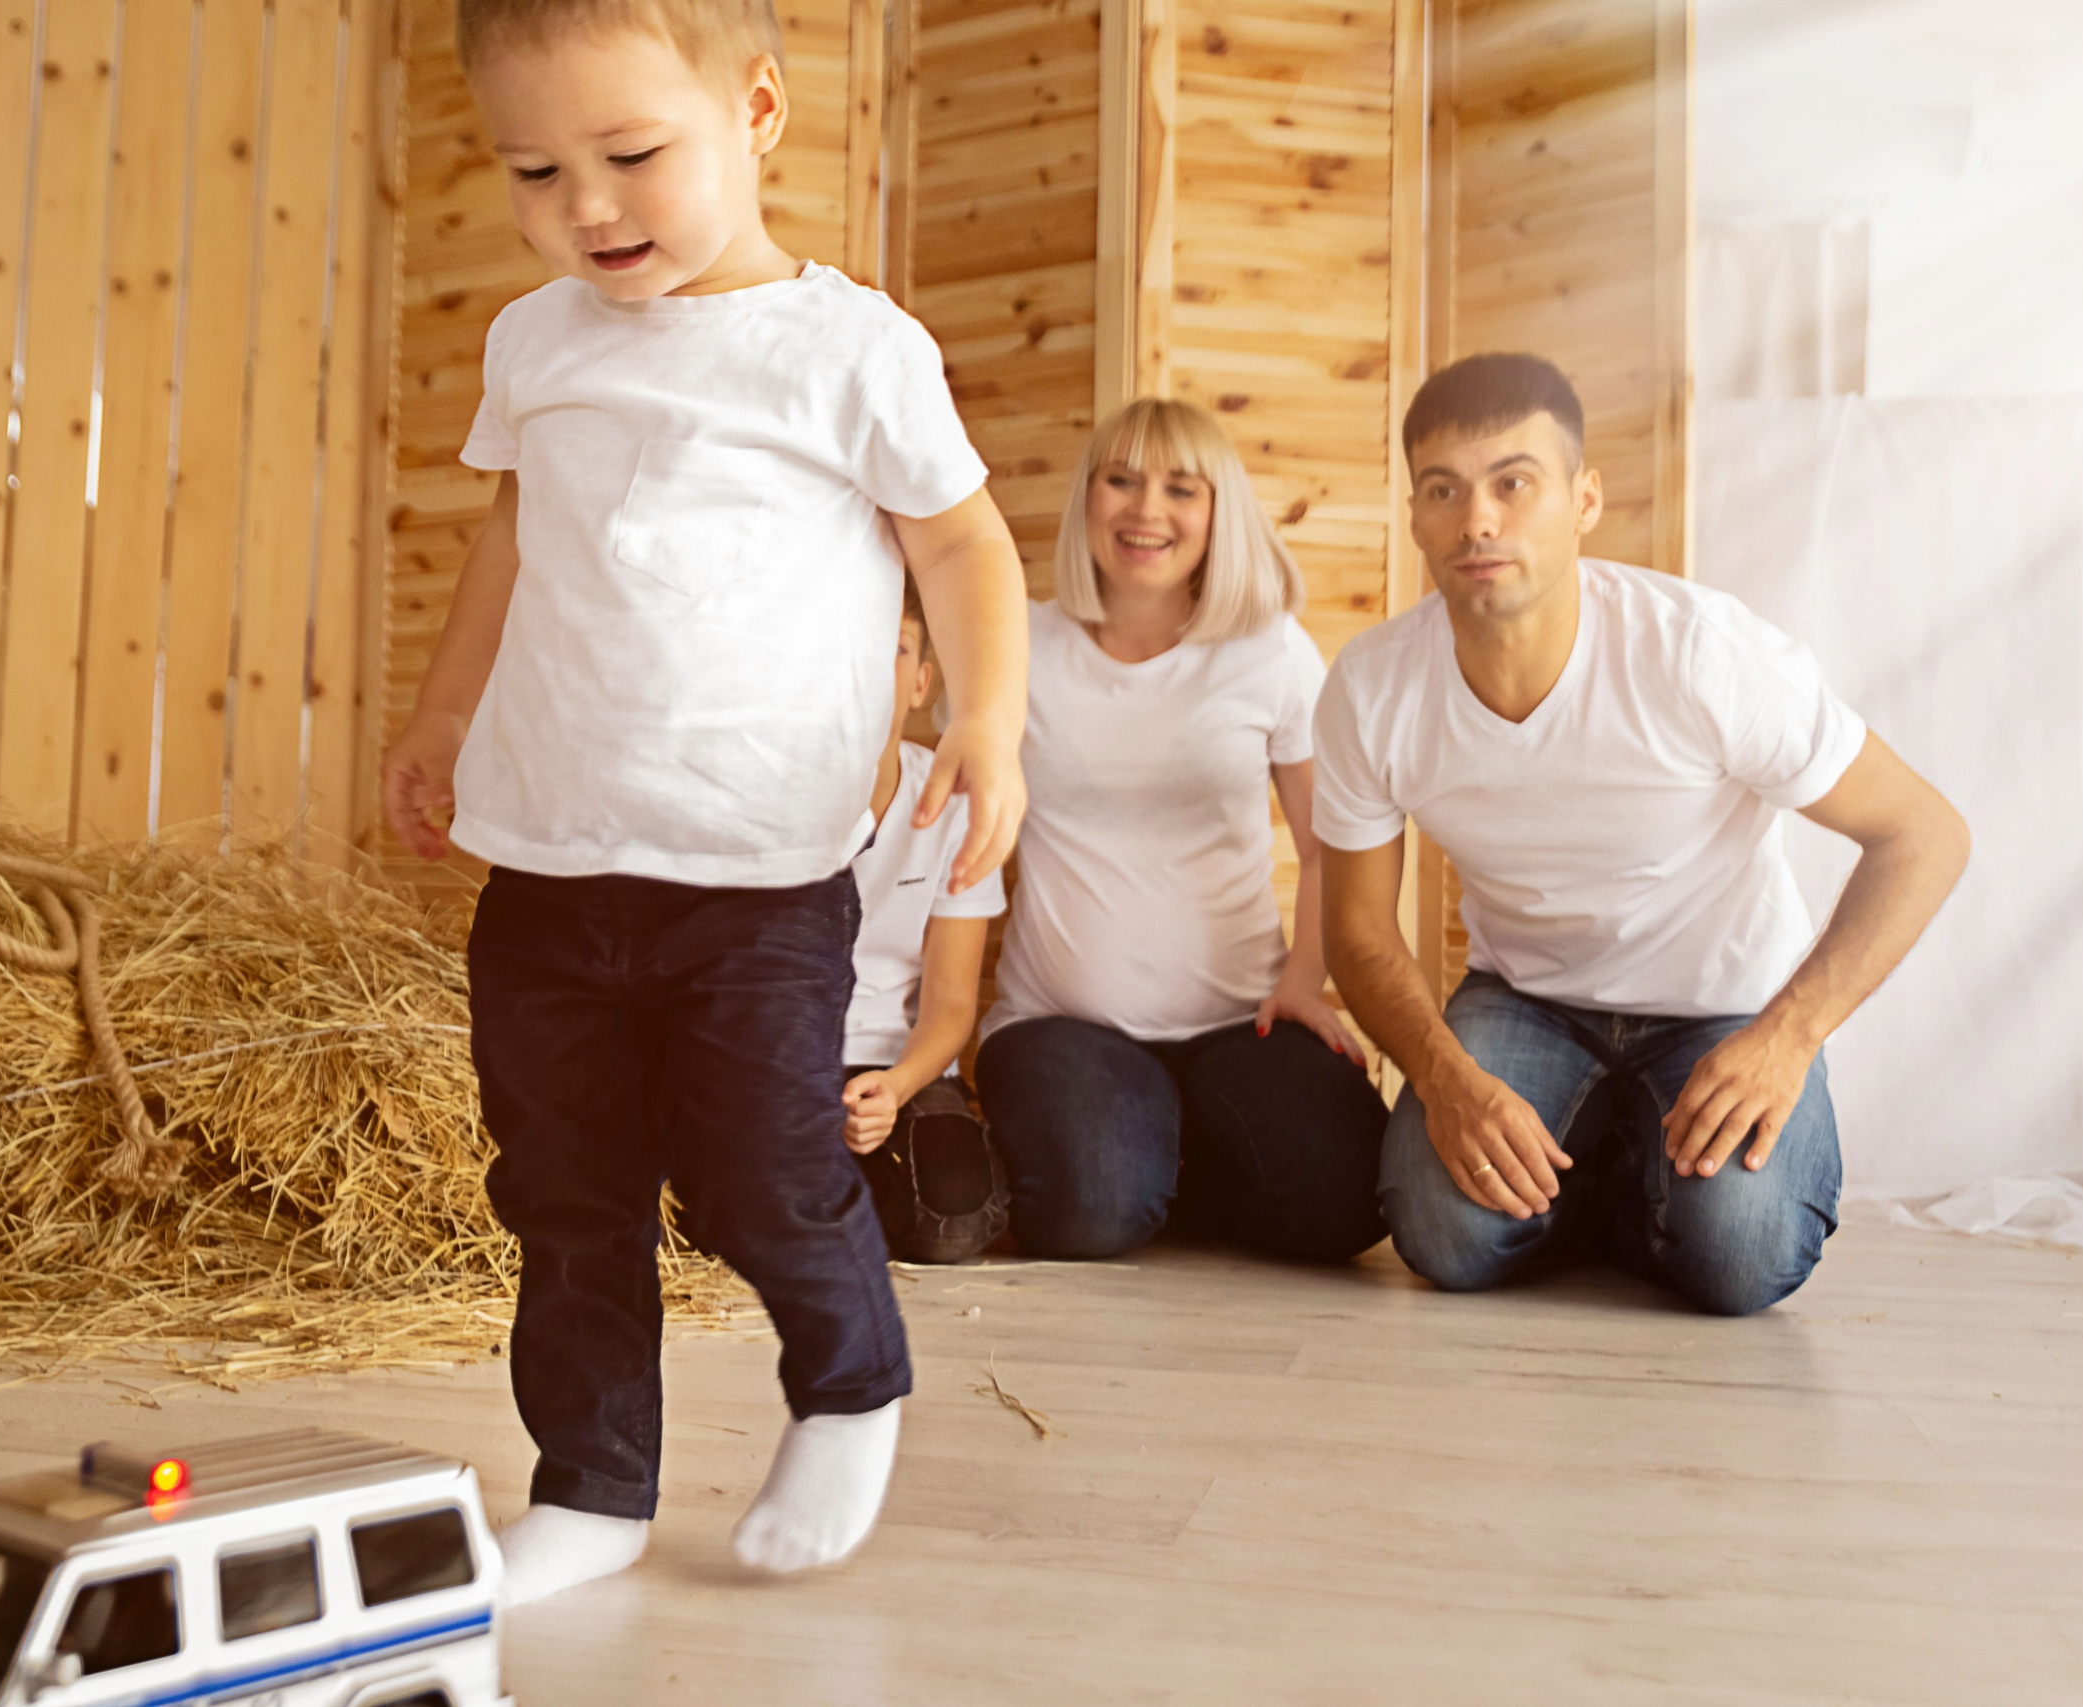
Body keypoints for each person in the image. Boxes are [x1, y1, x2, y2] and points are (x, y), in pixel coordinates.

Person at [381, 0, 1029, 1603]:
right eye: (534, 169)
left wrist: (991, 723)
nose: (585, 207)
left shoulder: (850, 348)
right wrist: (442, 713)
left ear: (755, 112)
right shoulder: (535, 340)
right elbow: (511, 538)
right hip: (548, 860)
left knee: (757, 1166)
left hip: (753, 870)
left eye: (628, 155)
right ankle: (593, 1484)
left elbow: (962, 544)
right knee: (561, 1183)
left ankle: (853, 1376)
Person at [1316, 353, 1970, 1316]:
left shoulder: (1702, 653)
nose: (1478, 520)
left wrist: (1788, 1038)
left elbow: (1925, 833)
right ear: (1414, 513)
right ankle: (1613, 1177)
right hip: (1528, 1002)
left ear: (1583, 500)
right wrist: (1444, 1077)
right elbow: (1360, 931)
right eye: (1444, 490)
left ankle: (1615, 1186)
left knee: (1742, 1254)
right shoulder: (1372, 687)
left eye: (1513, 483)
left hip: (1726, 1006)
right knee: (1439, 1231)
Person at [973, 398, 1390, 1264]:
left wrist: (1306, 979)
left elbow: (1327, 847)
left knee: (1350, 1202)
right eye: (1119, 481)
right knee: (1086, 1213)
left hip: (1242, 1021)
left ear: (1218, 511)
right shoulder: (1022, 643)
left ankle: (1161, 1152)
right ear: (1086, 499)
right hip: (1062, 1019)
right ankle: (1140, 1158)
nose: (1146, 510)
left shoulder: (1269, 651)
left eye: (1179, 488)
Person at [840, 580, 1012, 1265]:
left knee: (957, 1216)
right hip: (781, 1057)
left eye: (896, 649)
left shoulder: (954, 809)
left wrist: (897, 1087)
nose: (872, 665)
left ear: (920, 681)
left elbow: (948, 1004)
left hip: (897, 1064)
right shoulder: (771, 796)